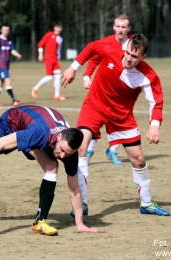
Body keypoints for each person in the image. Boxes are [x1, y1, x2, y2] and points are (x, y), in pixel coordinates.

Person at [0, 105, 98, 235]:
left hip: (33, 129)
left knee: (52, 165)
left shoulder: (69, 153)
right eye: (62, 150)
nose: (62, 155)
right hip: (9, 124)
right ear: (59, 138)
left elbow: (74, 188)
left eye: (67, 153)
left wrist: (80, 224)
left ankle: (39, 223)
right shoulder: (39, 134)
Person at [61, 33, 170, 217]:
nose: (128, 58)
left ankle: (146, 203)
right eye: (127, 53)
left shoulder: (148, 75)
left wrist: (154, 125)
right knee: (80, 148)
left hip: (121, 115)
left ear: (143, 57)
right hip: (94, 106)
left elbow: (156, 102)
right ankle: (82, 203)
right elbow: (91, 47)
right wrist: (73, 68)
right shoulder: (110, 49)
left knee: (138, 160)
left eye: (134, 56)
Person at [85, 14, 133, 166]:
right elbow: (94, 59)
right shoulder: (105, 43)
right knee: (96, 119)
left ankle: (112, 150)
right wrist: (87, 76)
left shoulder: (134, 43)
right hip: (103, 89)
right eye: (118, 26)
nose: (120, 30)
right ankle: (89, 151)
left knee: (118, 120)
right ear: (113, 27)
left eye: (123, 27)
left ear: (128, 28)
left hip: (123, 91)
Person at [0, 23, 23, 107]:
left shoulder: (9, 40)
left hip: (6, 65)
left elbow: (12, 50)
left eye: (7, 30)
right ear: (1, 30)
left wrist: (17, 54)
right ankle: (14, 100)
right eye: (4, 30)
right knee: (8, 81)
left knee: (0, 83)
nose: (6, 31)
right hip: (1, 65)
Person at [31, 22, 66, 101]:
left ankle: (57, 95)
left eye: (60, 28)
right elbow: (40, 44)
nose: (58, 29)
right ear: (54, 28)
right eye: (57, 27)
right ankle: (35, 88)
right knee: (49, 77)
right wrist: (40, 54)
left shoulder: (60, 39)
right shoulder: (49, 34)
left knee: (58, 76)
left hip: (56, 59)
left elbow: (59, 50)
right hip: (48, 58)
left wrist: (59, 59)